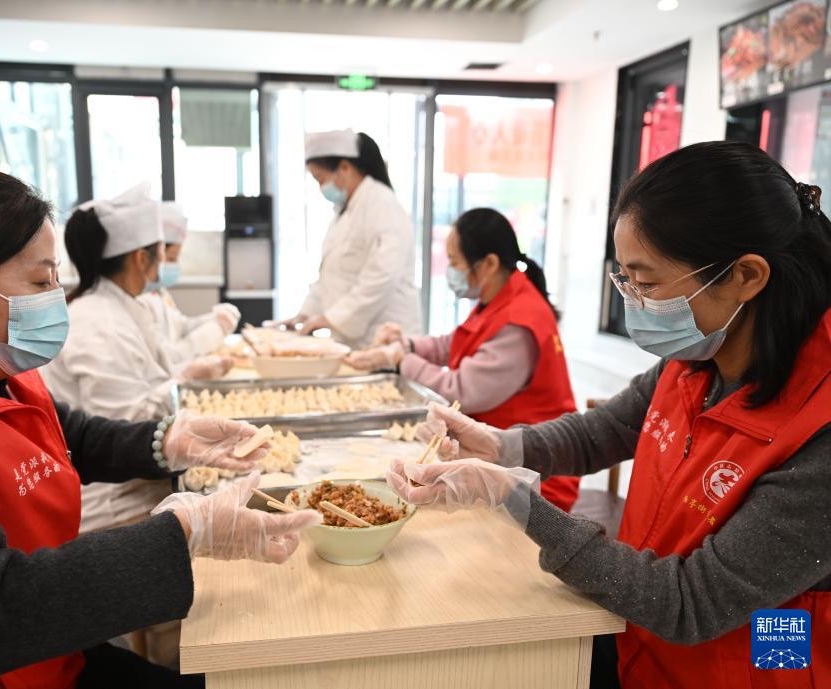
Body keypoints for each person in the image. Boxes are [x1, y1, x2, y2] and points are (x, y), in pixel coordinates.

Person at [0, 164, 320, 689]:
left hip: (42, 655)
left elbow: (64, 433)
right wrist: (185, 533)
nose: (56, 296)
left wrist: (166, 441)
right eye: (40, 281)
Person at [387, 142, 830, 689]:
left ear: (746, 275)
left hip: (750, 668)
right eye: (626, 280)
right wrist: (501, 446)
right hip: (642, 639)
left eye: (648, 283)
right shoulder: (699, 358)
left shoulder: (819, 430)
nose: (634, 302)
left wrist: (515, 498)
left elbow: (692, 602)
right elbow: (609, 428)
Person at [348, 208, 581, 512]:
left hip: (532, 475)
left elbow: (460, 390)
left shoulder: (519, 321)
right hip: (492, 457)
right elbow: (455, 343)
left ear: (489, 264)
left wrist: (401, 360)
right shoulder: (497, 299)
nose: (450, 271)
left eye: (455, 262)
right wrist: (407, 344)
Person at [42, 184, 234, 535]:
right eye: (162, 251)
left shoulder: (123, 306)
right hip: (111, 505)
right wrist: (183, 380)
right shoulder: (99, 323)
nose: (165, 260)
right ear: (140, 258)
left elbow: (144, 381)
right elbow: (121, 429)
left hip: (138, 481)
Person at [281, 129, 421, 348]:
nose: (321, 188)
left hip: (384, 336)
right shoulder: (344, 212)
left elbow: (381, 277)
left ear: (345, 168)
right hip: (353, 340)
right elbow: (329, 276)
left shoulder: (382, 205)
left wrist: (330, 319)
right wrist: (305, 314)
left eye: (320, 179)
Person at [138, 201, 241, 370]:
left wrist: (215, 318)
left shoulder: (159, 293)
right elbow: (169, 358)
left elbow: (180, 326)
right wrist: (214, 331)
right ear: (144, 258)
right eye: (170, 258)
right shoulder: (140, 301)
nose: (174, 264)